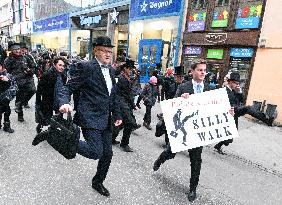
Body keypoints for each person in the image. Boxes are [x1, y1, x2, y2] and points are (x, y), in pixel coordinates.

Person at [58, 36, 122, 197]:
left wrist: (118, 114)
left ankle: (97, 182)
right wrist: (64, 102)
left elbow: (113, 96)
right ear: (95, 51)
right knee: (95, 152)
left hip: (106, 119)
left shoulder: (112, 70)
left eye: (110, 51)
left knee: (107, 154)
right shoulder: (86, 67)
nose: (108, 54)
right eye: (104, 51)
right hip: (90, 117)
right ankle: (60, 137)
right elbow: (68, 87)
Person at [153, 59, 212, 202]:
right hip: (183, 129)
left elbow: (215, 109)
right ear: (192, 72)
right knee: (170, 152)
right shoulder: (183, 87)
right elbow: (173, 106)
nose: (203, 72)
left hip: (198, 131)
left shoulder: (210, 89)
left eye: (204, 70)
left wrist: (228, 111)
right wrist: (181, 99)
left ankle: (193, 188)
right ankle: (160, 160)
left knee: (196, 161)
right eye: (200, 70)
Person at [214, 72, 274, 154]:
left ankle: (218, 146)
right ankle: (267, 120)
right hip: (228, 113)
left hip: (234, 113)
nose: (237, 85)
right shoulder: (224, 91)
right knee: (248, 108)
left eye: (238, 83)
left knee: (230, 139)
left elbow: (241, 101)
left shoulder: (234, 91)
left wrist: (239, 92)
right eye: (235, 83)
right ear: (230, 82)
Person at [4, 42, 36, 122]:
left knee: (33, 90)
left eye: (18, 49)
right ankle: (20, 115)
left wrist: (30, 71)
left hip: (28, 79)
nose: (18, 51)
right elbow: (7, 72)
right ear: (11, 51)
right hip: (17, 82)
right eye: (15, 50)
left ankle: (21, 103)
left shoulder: (26, 57)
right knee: (19, 97)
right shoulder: (8, 60)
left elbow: (33, 67)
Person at [112, 59, 138, 152]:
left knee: (121, 123)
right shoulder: (121, 78)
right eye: (130, 69)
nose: (131, 71)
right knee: (129, 123)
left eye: (132, 69)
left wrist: (132, 105)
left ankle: (111, 138)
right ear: (125, 69)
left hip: (124, 102)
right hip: (121, 103)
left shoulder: (126, 77)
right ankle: (124, 144)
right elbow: (125, 94)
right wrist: (133, 104)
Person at [35, 57, 67, 133]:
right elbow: (39, 90)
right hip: (48, 100)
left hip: (59, 100)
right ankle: (40, 126)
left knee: (58, 118)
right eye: (60, 65)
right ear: (54, 65)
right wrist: (38, 102)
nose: (62, 67)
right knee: (45, 118)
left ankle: (53, 132)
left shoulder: (63, 76)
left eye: (63, 66)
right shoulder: (47, 74)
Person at [0, 60, 17, 133]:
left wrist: (7, 81)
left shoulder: (8, 76)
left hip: (5, 97)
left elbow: (15, 87)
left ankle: (7, 126)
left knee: (7, 111)